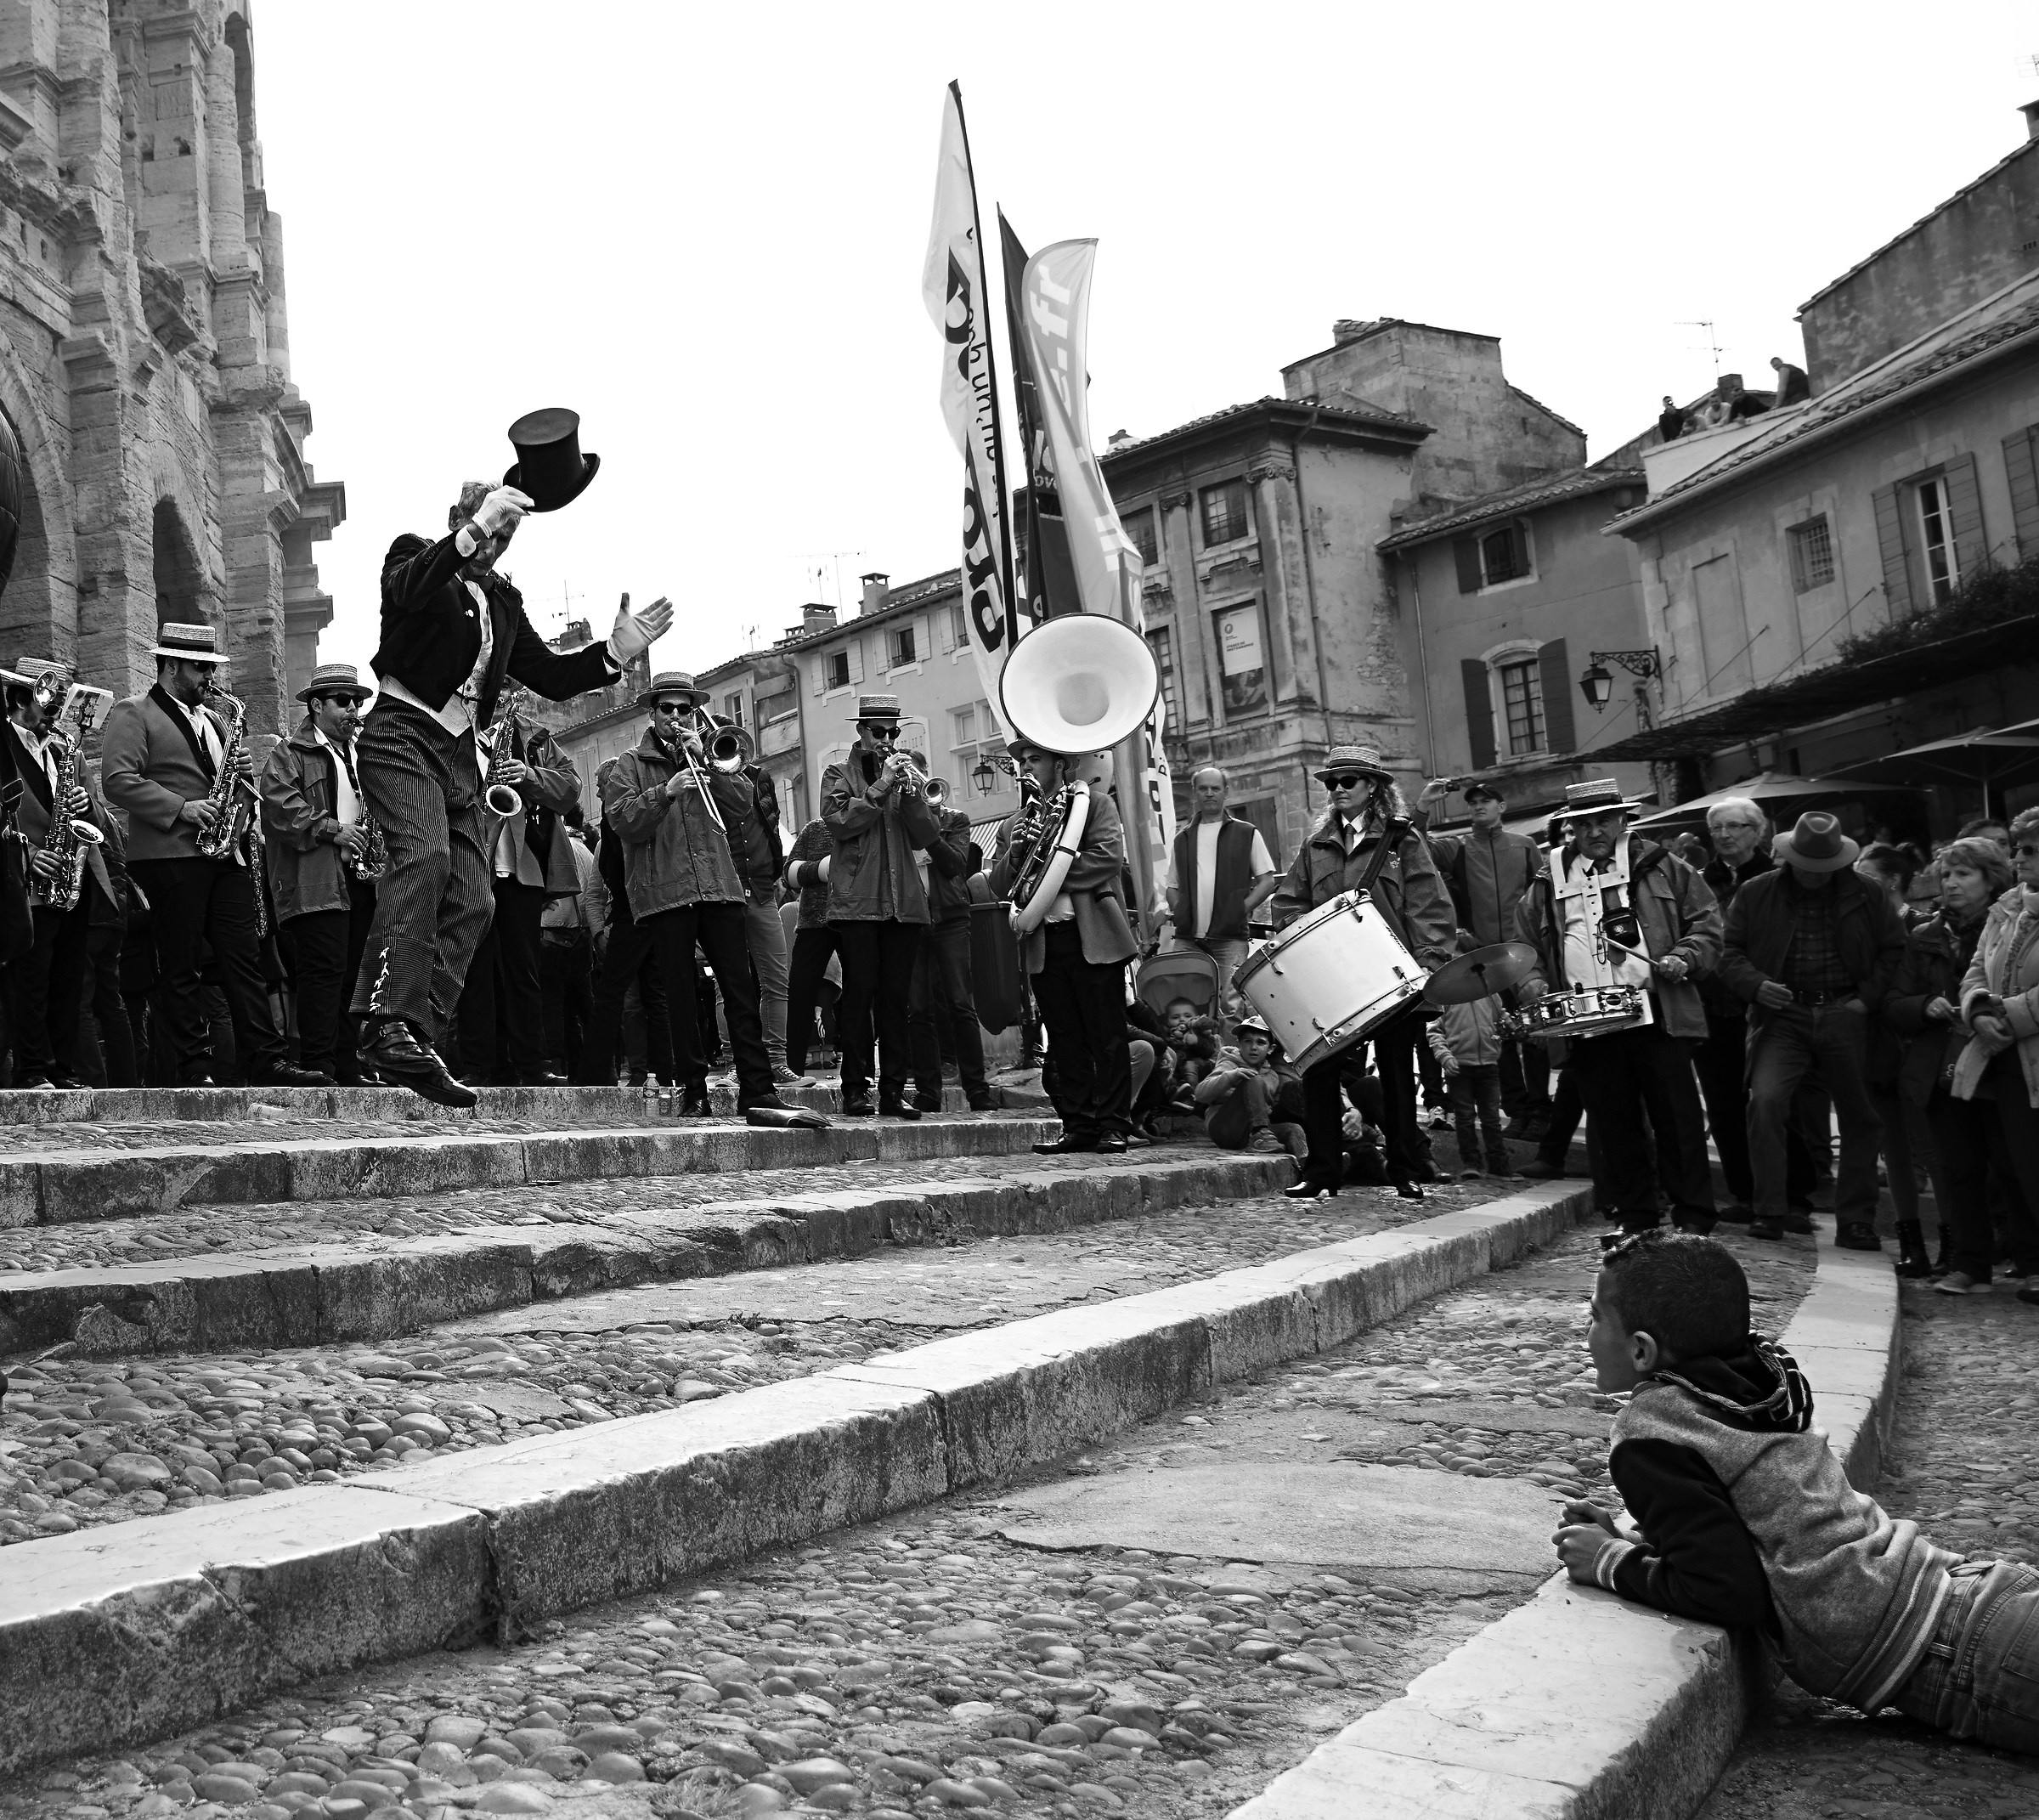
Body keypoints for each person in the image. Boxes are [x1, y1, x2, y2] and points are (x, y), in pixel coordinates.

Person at [1552, 1230, 2039, 1758]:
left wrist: (1609, 1563)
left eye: (1595, 1316)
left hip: (1968, 1656)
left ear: (1641, 1350)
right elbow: (1751, 1514)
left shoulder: (1650, 1434)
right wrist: (1639, 1536)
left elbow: (1725, 1590)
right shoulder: (1761, 1382)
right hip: (1981, 1601)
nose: (1586, 1330)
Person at [347, 477, 671, 1106]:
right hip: (400, 733)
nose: (494, 546)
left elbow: (550, 674)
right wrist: (473, 531)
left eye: (504, 536)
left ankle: (411, 1033)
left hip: (457, 756)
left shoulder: (502, 600)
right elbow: (406, 589)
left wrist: (615, 653)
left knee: (475, 898)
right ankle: (386, 1022)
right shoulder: (414, 556)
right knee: (425, 859)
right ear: (458, 518)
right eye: (490, 530)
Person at [99, 624, 325, 1088]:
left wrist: (241, 776)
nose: (209, 676)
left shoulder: (217, 720)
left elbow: (229, 790)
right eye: (201, 667)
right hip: (169, 855)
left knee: (244, 961)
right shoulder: (133, 711)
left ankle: (267, 1060)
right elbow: (117, 780)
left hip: (224, 854)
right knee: (180, 964)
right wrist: (180, 807)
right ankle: (194, 1066)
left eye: (211, 667)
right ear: (171, 665)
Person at [581, 672, 794, 1119]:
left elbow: (742, 807)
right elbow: (623, 822)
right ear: (653, 712)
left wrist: (707, 763)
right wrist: (666, 792)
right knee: (679, 997)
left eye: (685, 709)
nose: (676, 716)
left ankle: (757, 1089)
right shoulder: (628, 765)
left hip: (719, 887)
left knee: (740, 990)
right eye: (668, 708)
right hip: (666, 894)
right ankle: (694, 1092)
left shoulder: (709, 756)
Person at [1516, 778, 1720, 1235]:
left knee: (1677, 1120)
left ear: (1623, 819)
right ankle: (1635, 1216)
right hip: (1589, 1021)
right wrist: (1531, 981)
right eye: (1584, 824)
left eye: (1604, 821)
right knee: (1613, 1123)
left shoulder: (1663, 865)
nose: (1594, 832)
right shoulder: (1548, 878)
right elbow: (1525, 943)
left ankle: (1693, 1216)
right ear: (1571, 827)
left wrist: (1684, 956)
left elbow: (1707, 925)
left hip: (1658, 1014)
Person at [1272, 745, 1454, 1200]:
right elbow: (1288, 903)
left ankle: (1405, 1171)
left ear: (1372, 787)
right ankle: (1322, 1172)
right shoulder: (1315, 846)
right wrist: (1301, 938)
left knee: (1397, 1075)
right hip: (1331, 979)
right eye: (1331, 782)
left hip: (1392, 976)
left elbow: (1429, 905)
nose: (1337, 789)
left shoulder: (1404, 840)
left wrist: (1428, 965)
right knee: (1319, 1071)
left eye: (1347, 781)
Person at [1718, 811, 1906, 1250]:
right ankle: (1770, 1209)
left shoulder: (1867, 892)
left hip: (1845, 1009)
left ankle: (1856, 1220)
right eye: (1807, 866)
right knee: (1765, 1102)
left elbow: (1894, 949)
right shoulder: (1757, 891)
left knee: (1860, 1115)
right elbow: (1728, 953)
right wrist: (1756, 985)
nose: (1815, 875)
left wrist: (1866, 999)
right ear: (1789, 857)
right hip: (1782, 1014)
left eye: (1825, 867)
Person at [988, 737, 1138, 1154]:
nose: (1026, 767)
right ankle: (1078, 1126)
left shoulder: (1096, 805)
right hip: (1045, 943)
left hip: (1092, 937)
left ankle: (1113, 1125)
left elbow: (1107, 858)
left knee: (1107, 1037)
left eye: (1035, 759)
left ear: (1060, 765)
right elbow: (998, 885)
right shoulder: (1014, 824)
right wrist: (1017, 854)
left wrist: (1046, 872)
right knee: (1065, 1038)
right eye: (1023, 761)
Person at [1882, 836, 2019, 1289]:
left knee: (2013, 1166)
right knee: (1959, 1167)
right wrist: (1925, 1005)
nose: (1951, 883)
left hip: (2002, 1059)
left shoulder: (2013, 928)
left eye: (1964, 874)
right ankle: (1969, 1264)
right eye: (1946, 874)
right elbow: (1895, 1002)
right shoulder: (1924, 936)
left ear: (1990, 879)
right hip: (1943, 1067)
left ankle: (2029, 1259)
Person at [259, 662, 381, 1087]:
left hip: (362, 879)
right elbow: (279, 810)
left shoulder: (362, 753)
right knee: (323, 973)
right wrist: (335, 830)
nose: (353, 710)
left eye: (357, 702)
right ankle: (318, 1064)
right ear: (316, 705)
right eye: (343, 701)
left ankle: (347, 1064)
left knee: (355, 976)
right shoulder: (288, 753)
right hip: (316, 883)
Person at [0, 659, 119, 1089]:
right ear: (19, 699)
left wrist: (90, 807)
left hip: (72, 876)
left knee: (70, 979)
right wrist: (30, 852)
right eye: (45, 699)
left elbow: (102, 819)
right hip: (24, 879)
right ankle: (31, 1068)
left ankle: (61, 1068)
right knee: (30, 978)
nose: (54, 711)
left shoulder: (66, 749)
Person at [823, 695, 943, 1120]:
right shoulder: (838, 773)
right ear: (861, 731)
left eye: (893, 732)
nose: (887, 739)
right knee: (859, 997)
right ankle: (855, 1090)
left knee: (896, 1001)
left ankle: (893, 1092)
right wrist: (881, 787)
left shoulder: (906, 778)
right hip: (857, 902)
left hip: (903, 903)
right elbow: (839, 823)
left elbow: (926, 836)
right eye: (879, 732)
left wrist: (910, 796)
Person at [1416, 776, 1550, 1136]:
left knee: (1535, 1031)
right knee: (1498, 1037)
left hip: (1526, 955)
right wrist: (1425, 804)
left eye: (1485, 801)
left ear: (1501, 807)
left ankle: (1540, 1110)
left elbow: (1542, 897)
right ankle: (1517, 1111)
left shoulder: (1525, 845)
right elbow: (1417, 846)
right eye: (1473, 802)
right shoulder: (1459, 847)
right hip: (1486, 959)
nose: (1477, 806)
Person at [455, 710, 581, 1087]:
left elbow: (571, 788)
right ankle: (480, 1064)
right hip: (470, 867)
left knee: (524, 970)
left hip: (522, 869)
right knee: (475, 971)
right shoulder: (451, 727)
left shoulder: (533, 736)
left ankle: (532, 1063)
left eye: (506, 683)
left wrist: (528, 775)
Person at [1954, 807, 2039, 1291]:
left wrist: (2008, 1014)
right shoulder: (2007, 907)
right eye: (2017, 848)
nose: (2018, 858)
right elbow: (1975, 971)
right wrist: (1979, 1011)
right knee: (2020, 1167)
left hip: (2029, 1048)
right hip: (2007, 1060)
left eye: (2030, 850)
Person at [703, 715, 805, 1090]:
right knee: (728, 985)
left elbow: (769, 824)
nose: (727, 750)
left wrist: (774, 870)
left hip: (761, 890)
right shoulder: (702, 779)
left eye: (730, 743)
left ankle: (776, 1062)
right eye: (719, 743)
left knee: (777, 979)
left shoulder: (759, 778)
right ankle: (735, 1065)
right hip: (725, 891)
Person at [1165, 766, 1278, 1025]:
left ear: (1226, 792)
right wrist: (1180, 911)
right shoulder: (1182, 838)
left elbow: (1267, 882)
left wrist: (1239, 909)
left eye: (1215, 788)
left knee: (1231, 1006)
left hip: (1230, 937)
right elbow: (1172, 886)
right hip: (1187, 937)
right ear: (1195, 792)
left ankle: (1229, 1051)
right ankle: (1193, 1051)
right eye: (1203, 788)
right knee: (1185, 1003)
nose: (1209, 793)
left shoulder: (1247, 832)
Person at [1427, 939, 1514, 1180]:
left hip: (1489, 1064)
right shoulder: (1446, 995)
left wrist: (1509, 1026)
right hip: (1459, 1068)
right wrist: (1445, 1057)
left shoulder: (1488, 990)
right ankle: (1471, 1163)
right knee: (1465, 1118)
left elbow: (1500, 1016)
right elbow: (1434, 1031)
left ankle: (1499, 1165)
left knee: (1491, 1119)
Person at [781, 817, 841, 1082]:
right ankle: (793, 1069)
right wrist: (821, 869)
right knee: (799, 994)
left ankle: (860, 1074)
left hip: (854, 917)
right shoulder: (815, 828)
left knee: (859, 996)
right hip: (812, 921)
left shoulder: (868, 824)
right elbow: (790, 872)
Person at [1193, 1015, 1304, 1156]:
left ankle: (1306, 1163)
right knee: (1253, 1080)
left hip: (1250, 1132)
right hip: (1224, 1129)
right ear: (1239, 1044)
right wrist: (1231, 1076)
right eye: (1247, 1041)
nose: (1253, 1047)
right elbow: (1200, 1094)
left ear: (1270, 1049)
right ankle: (1261, 1134)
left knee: (1294, 1129)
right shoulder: (1229, 1064)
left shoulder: (1272, 1076)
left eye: (1260, 1043)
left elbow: (1265, 1106)